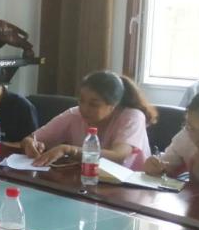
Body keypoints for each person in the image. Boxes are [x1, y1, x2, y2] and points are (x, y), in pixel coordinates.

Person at [22, 71, 156, 170]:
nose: (84, 109)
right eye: (81, 101)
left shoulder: (132, 116)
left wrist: (70, 150)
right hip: (87, 182)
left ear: (113, 106)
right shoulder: (74, 115)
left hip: (130, 189)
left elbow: (119, 156)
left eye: (94, 104)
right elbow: (31, 138)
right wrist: (30, 143)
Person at [144, 91, 199, 181]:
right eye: (191, 127)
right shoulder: (185, 136)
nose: (197, 139)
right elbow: (168, 163)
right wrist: (157, 167)